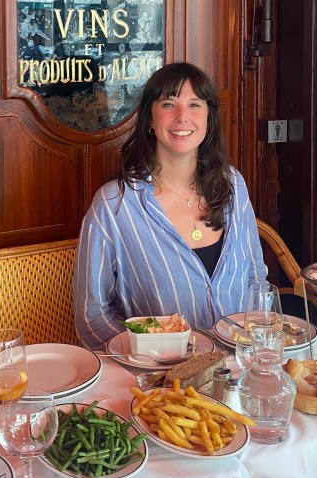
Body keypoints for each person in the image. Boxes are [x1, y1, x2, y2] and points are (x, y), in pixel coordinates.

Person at [73, 61, 267, 350]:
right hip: (162, 384)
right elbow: (91, 318)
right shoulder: (115, 206)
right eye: (168, 104)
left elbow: (256, 278)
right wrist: (154, 357)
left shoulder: (233, 185)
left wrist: (261, 347)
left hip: (240, 368)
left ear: (208, 118)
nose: (182, 117)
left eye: (194, 105)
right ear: (150, 119)